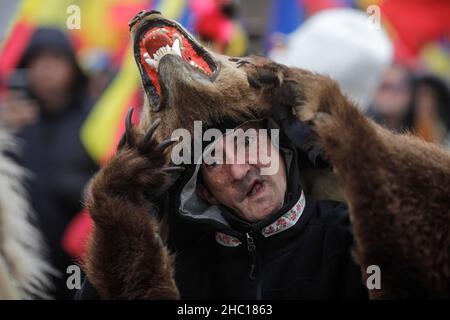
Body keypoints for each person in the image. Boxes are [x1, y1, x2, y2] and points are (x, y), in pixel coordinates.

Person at [77, 114, 368, 299]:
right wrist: (124, 215)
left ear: (280, 147)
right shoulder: (180, 266)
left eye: (246, 143)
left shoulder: (355, 235)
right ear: (205, 192)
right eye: (214, 160)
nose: (239, 170)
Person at [3, 28, 99, 299]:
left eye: (55, 60)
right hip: (23, 263)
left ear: (72, 67)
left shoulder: (95, 119)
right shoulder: (15, 118)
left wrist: (71, 186)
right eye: (37, 61)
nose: (45, 69)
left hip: (76, 263)